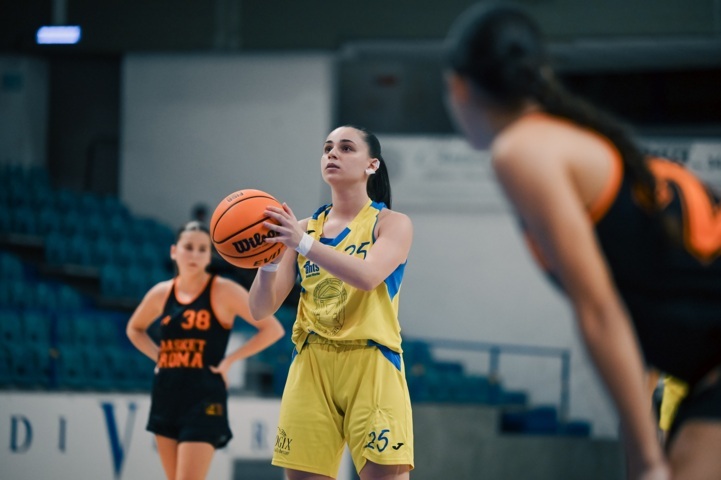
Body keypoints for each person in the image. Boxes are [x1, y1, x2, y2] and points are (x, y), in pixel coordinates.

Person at [443, 4, 721, 480]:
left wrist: (648, 461)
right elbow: (627, 317)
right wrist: (643, 453)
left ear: (458, 87)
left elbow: (599, 311)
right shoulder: (561, 140)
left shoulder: (520, 150)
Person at [248, 125, 414, 479]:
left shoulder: (391, 224)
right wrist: (268, 262)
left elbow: (368, 277)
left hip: (371, 362)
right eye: (327, 148)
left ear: (372, 165)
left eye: (346, 147)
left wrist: (302, 244)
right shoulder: (302, 228)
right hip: (311, 364)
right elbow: (260, 309)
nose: (332, 153)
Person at [126, 220, 285, 480]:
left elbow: (272, 329)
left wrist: (230, 360)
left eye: (202, 249)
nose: (195, 254)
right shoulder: (161, 293)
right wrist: (158, 357)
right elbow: (134, 329)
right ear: (174, 251)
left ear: (209, 256)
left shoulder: (223, 290)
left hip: (204, 397)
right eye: (188, 247)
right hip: (166, 394)